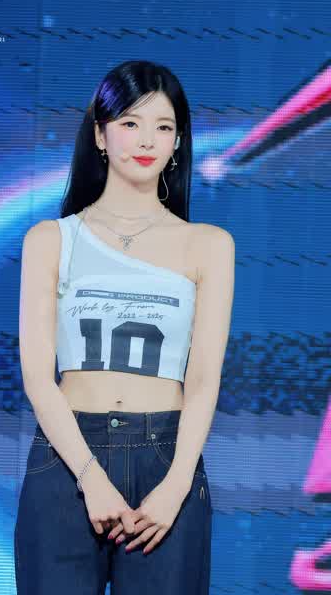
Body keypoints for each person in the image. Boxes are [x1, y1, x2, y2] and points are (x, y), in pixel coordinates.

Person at [14, 59, 235, 594]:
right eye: (131, 123)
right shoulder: (50, 240)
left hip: (167, 456)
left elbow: (203, 379)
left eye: (164, 126)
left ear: (178, 141)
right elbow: (39, 378)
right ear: (100, 134)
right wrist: (90, 478)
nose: (147, 140)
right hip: (66, 458)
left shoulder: (209, 245)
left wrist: (176, 485)